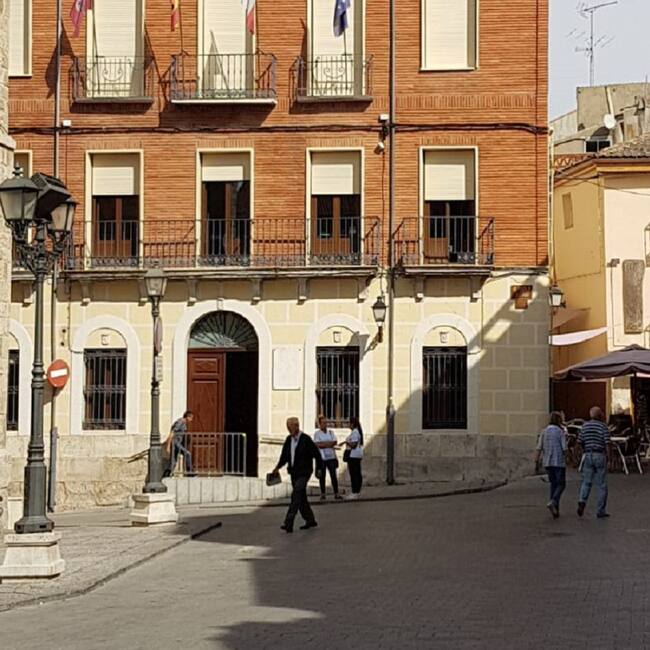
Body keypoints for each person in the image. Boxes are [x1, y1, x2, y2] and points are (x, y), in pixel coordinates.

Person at [271, 417, 324, 533]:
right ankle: (310, 519)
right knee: (301, 497)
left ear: (296, 426)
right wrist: (277, 467)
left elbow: (317, 454)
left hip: (304, 472)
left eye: (290, 427)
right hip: (294, 472)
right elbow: (284, 456)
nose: (288, 429)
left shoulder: (306, 439)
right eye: (287, 427)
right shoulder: (288, 440)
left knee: (296, 494)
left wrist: (319, 469)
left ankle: (288, 522)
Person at [577, 406, 611, 519]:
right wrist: (609, 458)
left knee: (586, 481)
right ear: (600, 415)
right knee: (601, 484)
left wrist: (582, 452)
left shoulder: (584, 426)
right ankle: (600, 510)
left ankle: (582, 500)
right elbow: (607, 443)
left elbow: (579, 441)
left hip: (588, 454)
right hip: (599, 454)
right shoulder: (603, 426)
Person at [535, 412, 568, 518]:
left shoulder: (544, 431)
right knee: (561, 484)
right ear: (559, 420)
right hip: (558, 462)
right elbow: (564, 448)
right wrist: (567, 458)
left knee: (553, 484)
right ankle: (553, 501)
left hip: (547, 462)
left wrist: (536, 461)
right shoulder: (560, 432)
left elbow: (539, 447)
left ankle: (555, 510)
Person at [314, 415, 342, 501]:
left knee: (333, 476)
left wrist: (324, 444)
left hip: (331, 457)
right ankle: (323, 494)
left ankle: (336, 493)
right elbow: (317, 444)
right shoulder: (317, 434)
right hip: (322, 458)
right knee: (322, 476)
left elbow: (334, 442)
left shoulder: (331, 432)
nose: (325, 424)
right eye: (323, 423)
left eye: (325, 423)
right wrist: (328, 444)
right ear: (319, 424)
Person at [164, 410, 195, 477]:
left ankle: (166, 474)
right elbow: (172, 433)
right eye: (191, 418)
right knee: (187, 454)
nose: (191, 420)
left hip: (178, 443)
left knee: (173, 461)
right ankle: (190, 472)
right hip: (175, 443)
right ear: (187, 417)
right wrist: (168, 446)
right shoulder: (180, 422)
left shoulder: (183, 423)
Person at [343, 417, 364, 499]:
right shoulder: (356, 432)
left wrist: (347, 442)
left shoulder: (355, 432)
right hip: (356, 455)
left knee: (354, 474)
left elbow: (354, 445)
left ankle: (355, 491)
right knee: (356, 473)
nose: (348, 425)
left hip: (353, 455)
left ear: (352, 424)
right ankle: (357, 491)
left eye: (349, 423)